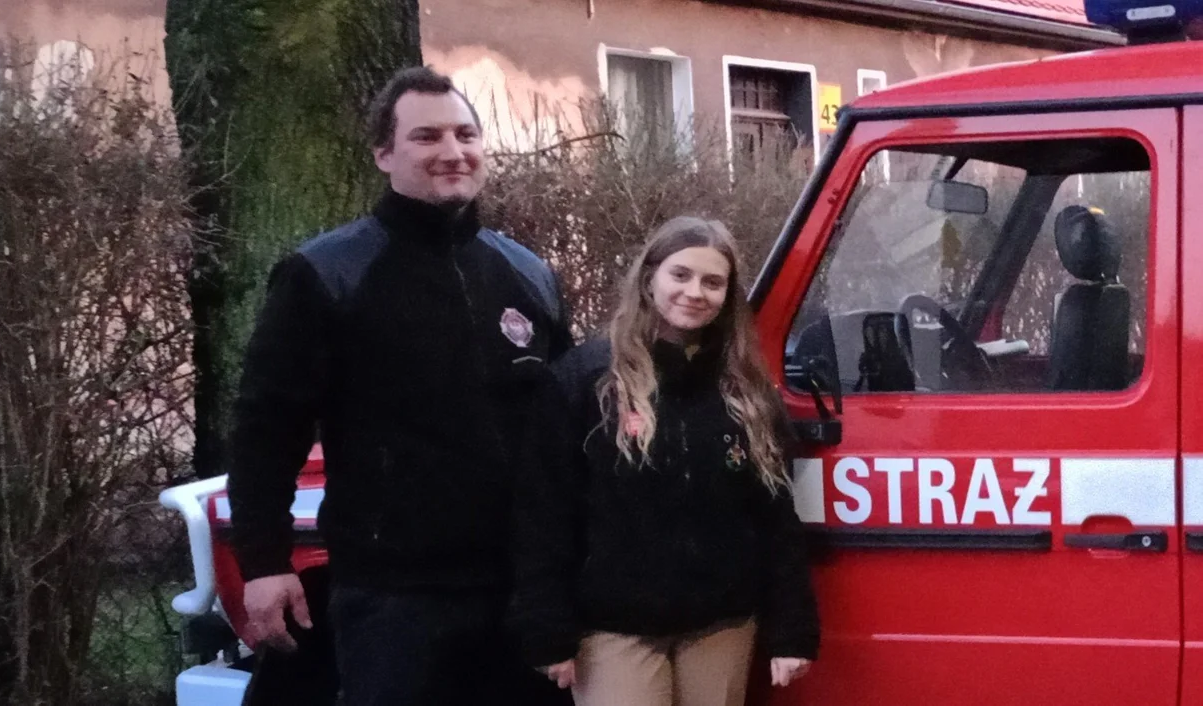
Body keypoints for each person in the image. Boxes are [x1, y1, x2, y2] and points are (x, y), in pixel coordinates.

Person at [227, 65, 574, 706]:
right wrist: (264, 562)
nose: (453, 151)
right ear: (383, 154)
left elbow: (568, 430)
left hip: (520, 592)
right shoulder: (326, 274)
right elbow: (265, 428)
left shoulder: (528, 275)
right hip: (394, 600)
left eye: (465, 134)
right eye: (426, 136)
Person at [510, 216, 820, 706]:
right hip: (613, 627)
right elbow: (544, 513)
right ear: (650, 277)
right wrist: (545, 627)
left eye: (712, 282)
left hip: (722, 623)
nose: (695, 292)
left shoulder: (746, 390)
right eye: (681, 275)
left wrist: (791, 630)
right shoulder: (585, 380)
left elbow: (775, 517)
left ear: (727, 296)